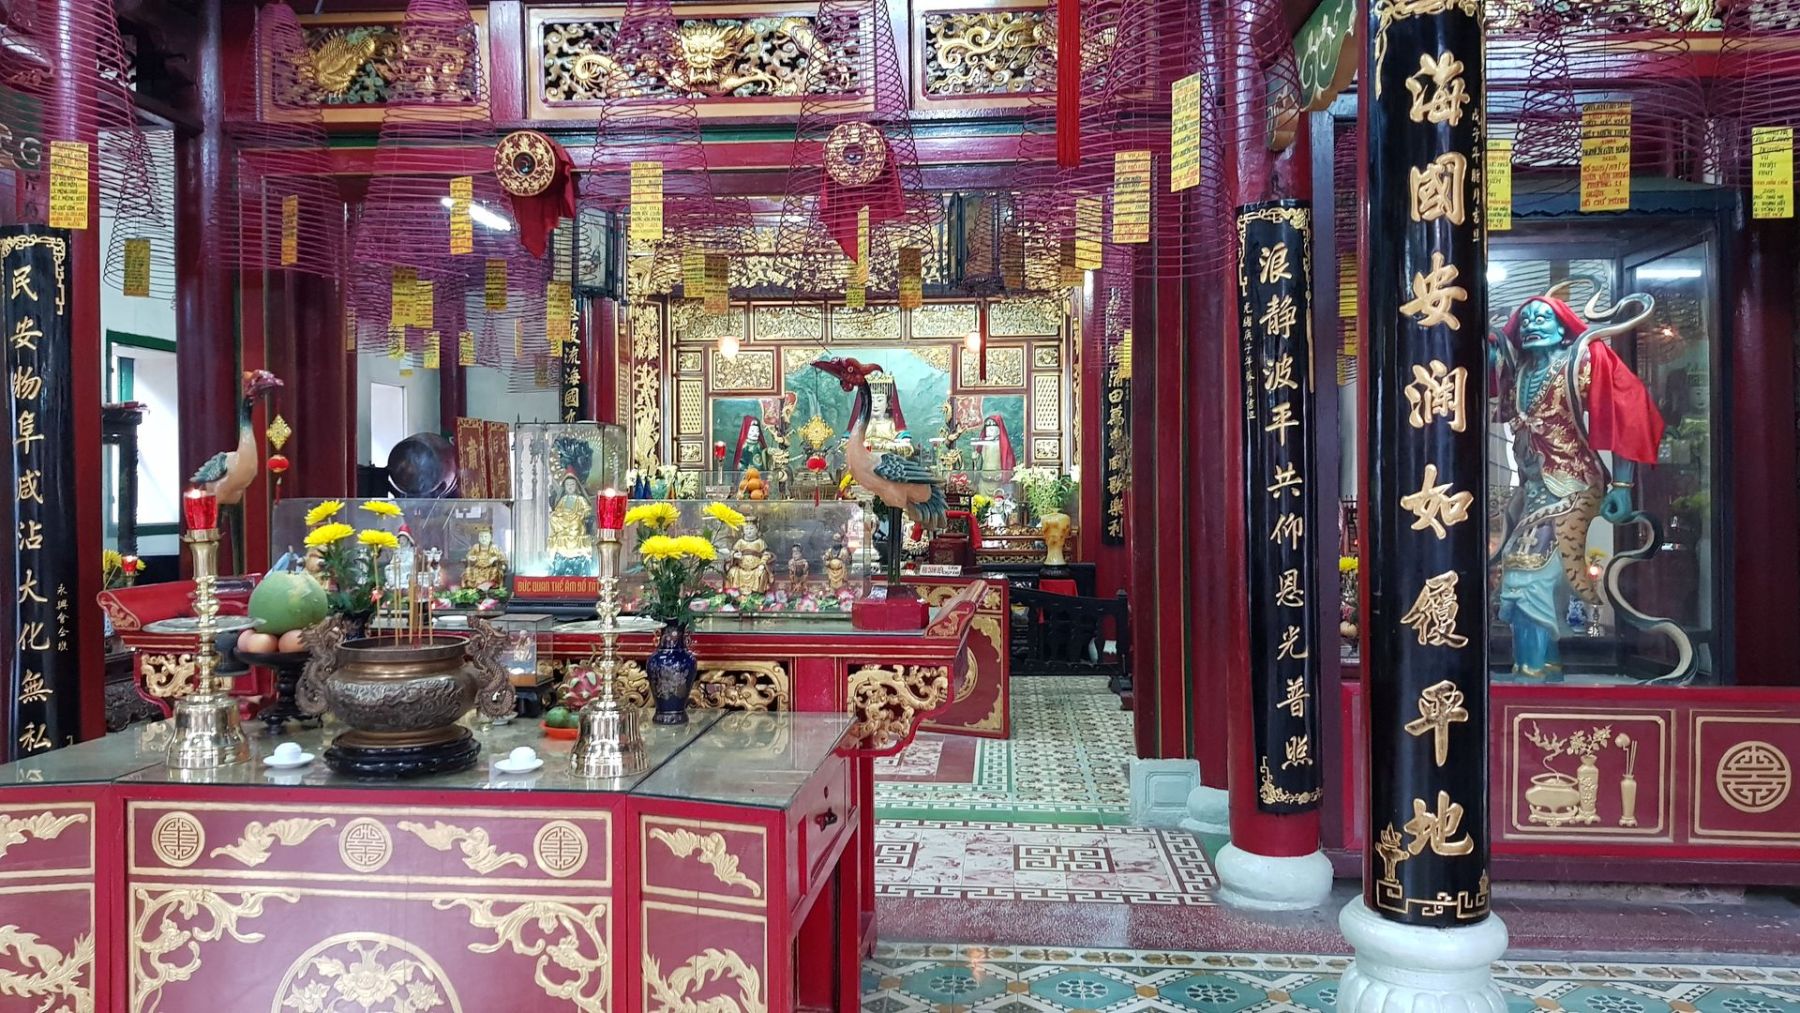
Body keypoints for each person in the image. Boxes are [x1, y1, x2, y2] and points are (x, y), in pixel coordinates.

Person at [546, 472, 595, 576]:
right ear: (564, 486)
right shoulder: (563, 499)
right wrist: (558, 514)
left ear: (576, 486)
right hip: (564, 521)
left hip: (575, 521)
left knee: (576, 523)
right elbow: (558, 510)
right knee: (553, 518)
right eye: (568, 484)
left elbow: (587, 510)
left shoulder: (580, 499)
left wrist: (580, 514)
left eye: (572, 484)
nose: (570, 487)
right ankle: (558, 553)